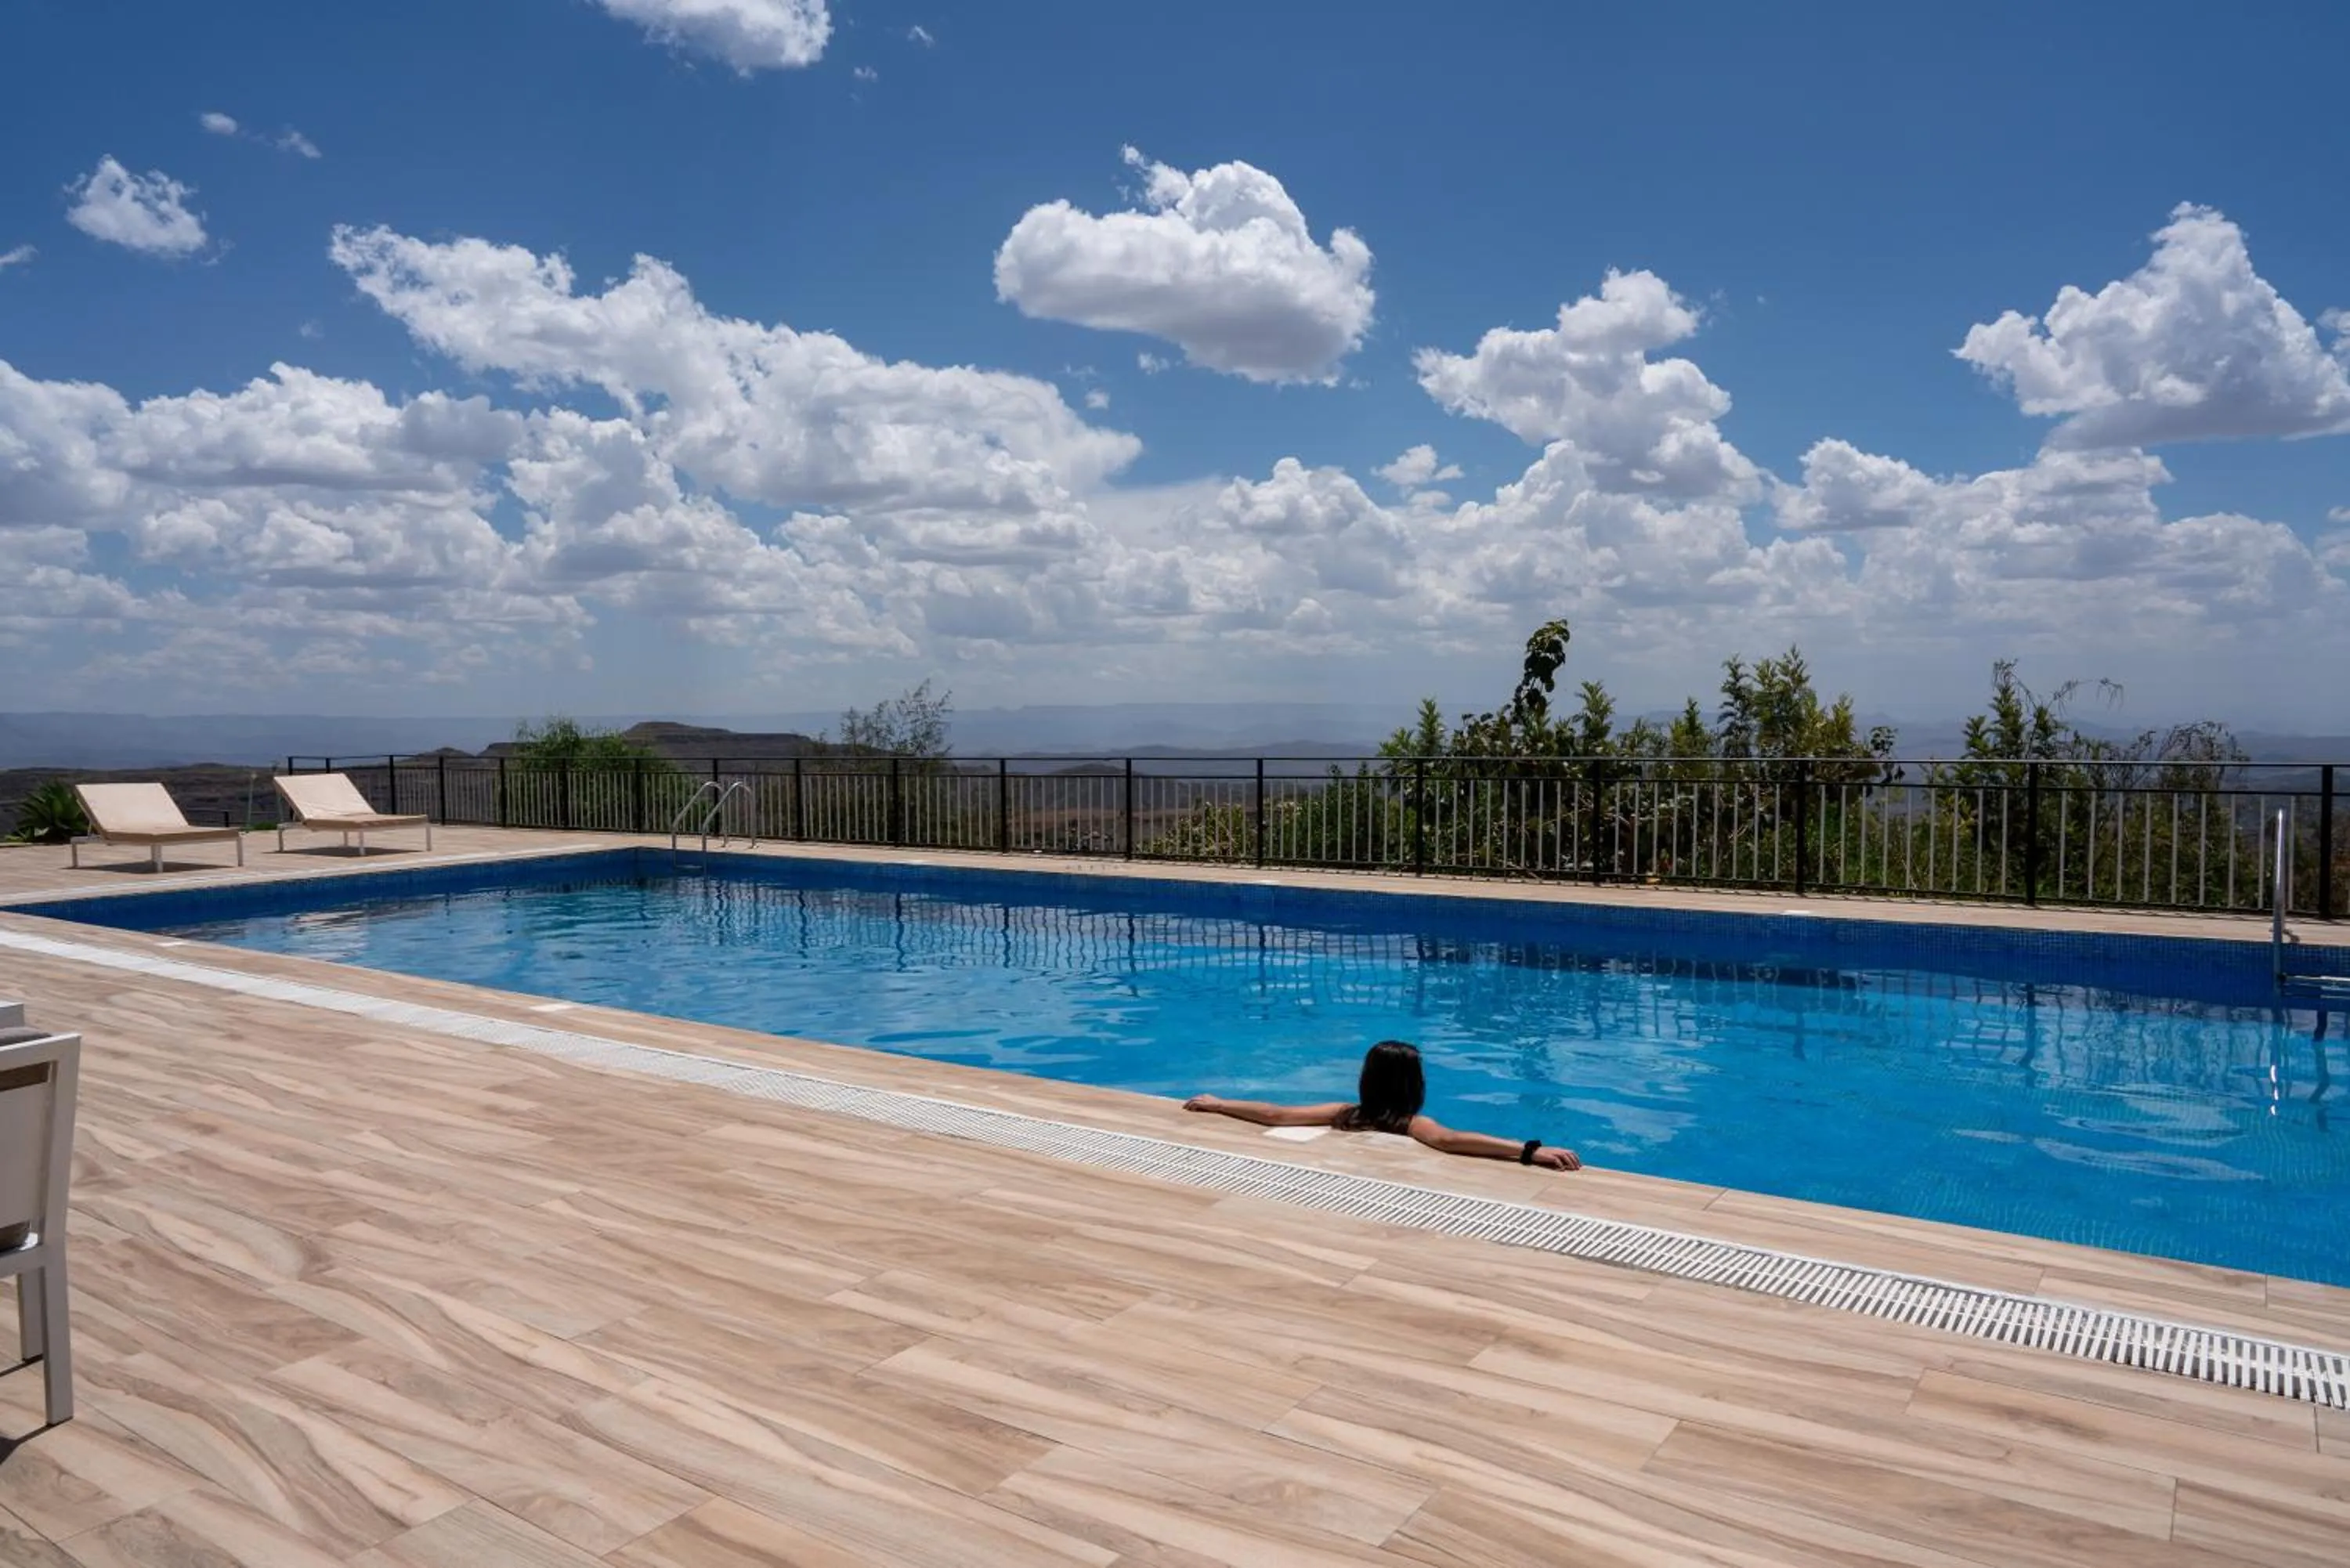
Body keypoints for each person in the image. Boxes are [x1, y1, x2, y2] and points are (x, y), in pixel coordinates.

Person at [1184, 1039, 1582, 1170]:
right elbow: (1453, 1140)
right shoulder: (1409, 1124)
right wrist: (1531, 1152)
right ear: (1415, 1084)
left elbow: (1277, 1114)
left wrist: (1220, 1104)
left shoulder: (1346, 1113)